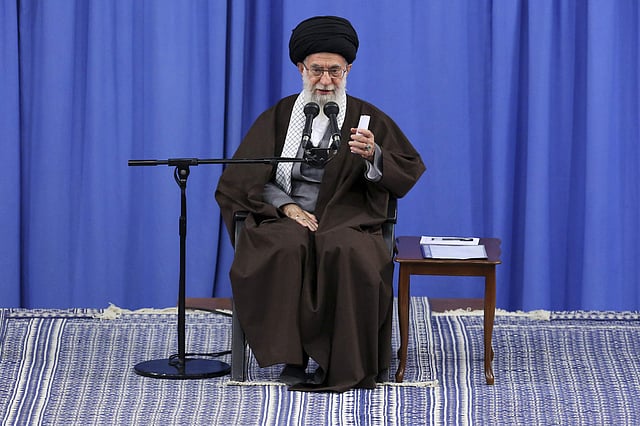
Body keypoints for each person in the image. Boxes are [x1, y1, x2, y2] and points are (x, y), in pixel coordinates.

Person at [215, 15, 425, 392]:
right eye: (317, 70)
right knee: (284, 247)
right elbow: (243, 179)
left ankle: (345, 361)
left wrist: (374, 155)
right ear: (301, 68)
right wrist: (286, 207)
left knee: (345, 250)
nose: (325, 81)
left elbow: (407, 167)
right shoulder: (280, 116)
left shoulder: (366, 118)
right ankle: (292, 358)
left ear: (348, 70)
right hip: (285, 216)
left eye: (334, 71)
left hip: (348, 217)